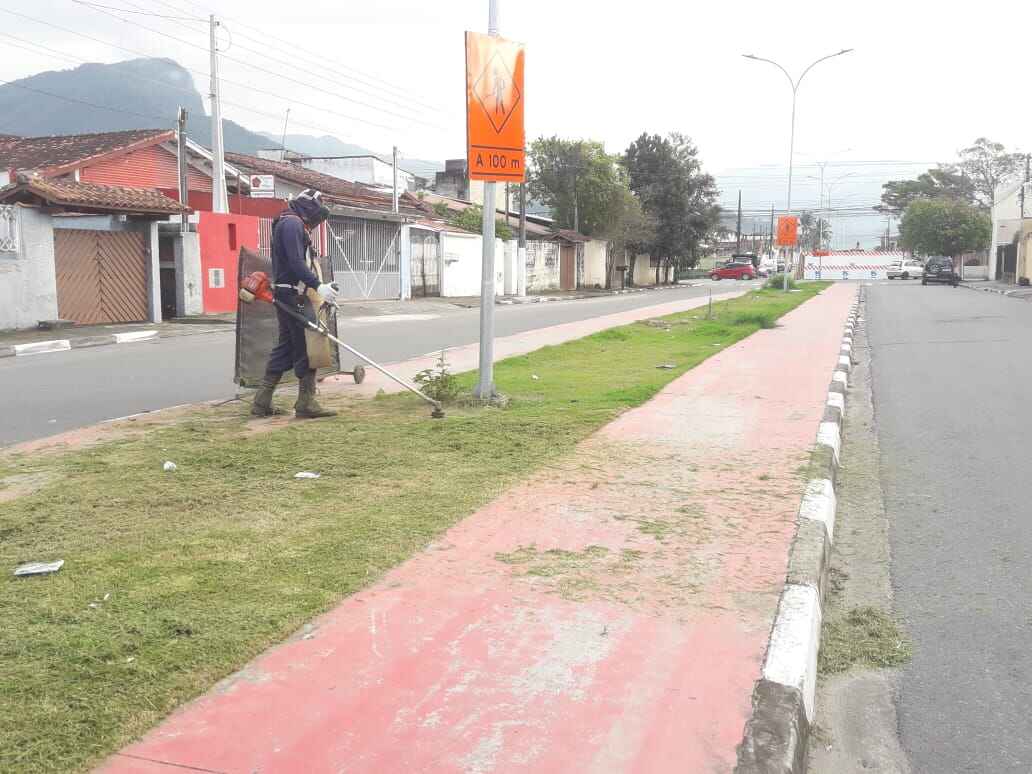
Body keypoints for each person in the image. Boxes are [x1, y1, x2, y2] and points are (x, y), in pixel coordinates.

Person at [252, 189, 340, 419]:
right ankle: (306, 401)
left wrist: (319, 285)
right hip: (293, 295)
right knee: (309, 343)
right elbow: (295, 262)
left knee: (288, 346)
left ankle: (262, 400)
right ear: (308, 208)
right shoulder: (291, 224)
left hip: (288, 294)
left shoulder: (288, 222)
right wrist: (317, 286)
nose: (317, 222)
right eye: (317, 216)